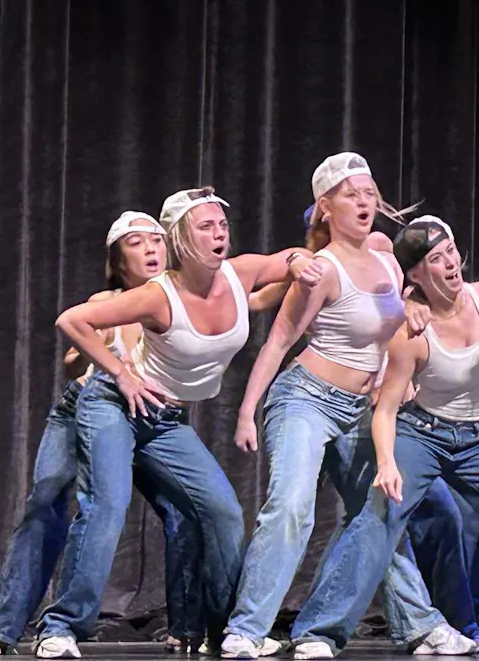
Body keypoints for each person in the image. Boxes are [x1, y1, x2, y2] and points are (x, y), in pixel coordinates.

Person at [0, 213, 289, 657]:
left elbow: (260, 295)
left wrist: (313, 263)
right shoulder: (116, 300)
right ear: (119, 262)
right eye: (138, 244)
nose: (152, 249)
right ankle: (18, 628)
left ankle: (212, 629)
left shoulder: (190, 292)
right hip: (95, 409)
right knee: (60, 503)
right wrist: (112, 366)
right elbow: (75, 349)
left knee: (198, 513)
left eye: (158, 240)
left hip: (159, 418)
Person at [35, 189, 325, 659]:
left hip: (166, 420)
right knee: (107, 506)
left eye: (222, 225)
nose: (219, 234)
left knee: (224, 514)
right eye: (205, 227)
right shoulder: (156, 296)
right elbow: (72, 320)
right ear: (180, 240)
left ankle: (230, 630)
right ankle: (62, 627)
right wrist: (123, 374)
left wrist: (295, 262)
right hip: (112, 405)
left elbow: (287, 258)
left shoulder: (239, 273)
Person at [220, 155, 475, 660]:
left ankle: (420, 624)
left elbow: (412, 305)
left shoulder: (386, 253)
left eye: (368, 193)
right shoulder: (322, 270)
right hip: (306, 399)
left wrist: (418, 306)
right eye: (350, 195)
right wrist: (248, 411)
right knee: (292, 508)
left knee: (380, 510)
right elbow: (279, 342)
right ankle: (247, 629)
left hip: (362, 408)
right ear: (325, 207)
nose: (363, 202)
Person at [280, 215, 479, 656]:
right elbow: (387, 409)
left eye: (451, 251)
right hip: (424, 434)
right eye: (437, 258)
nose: (451, 263)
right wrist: (389, 463)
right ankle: (317, 633)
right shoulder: (411, 331)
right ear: (415, 274)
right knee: (379, 518)